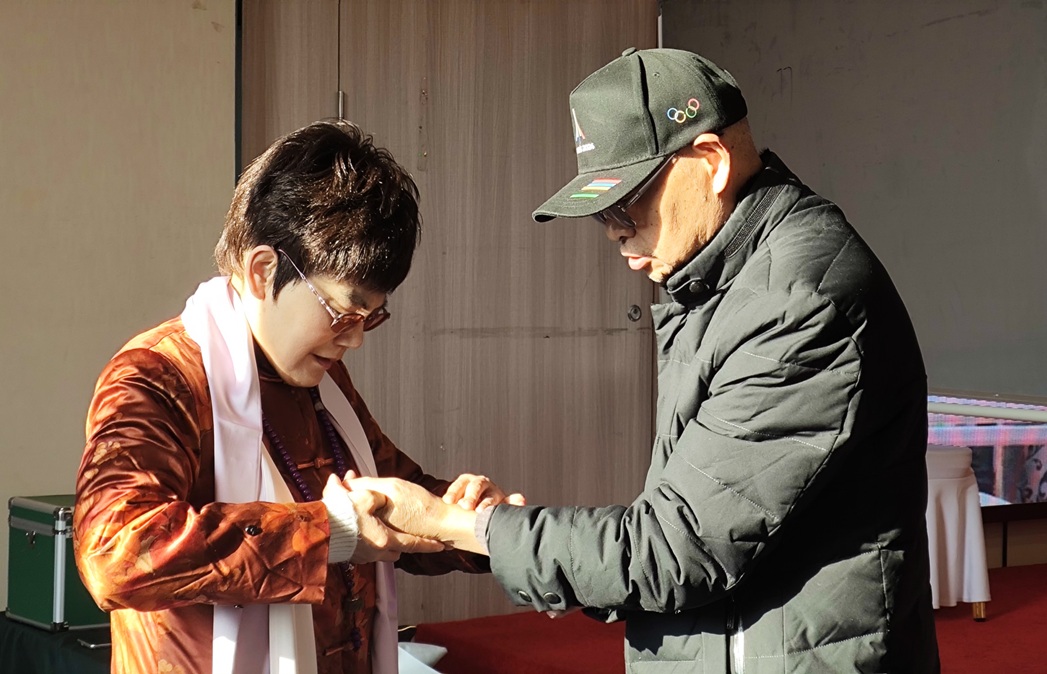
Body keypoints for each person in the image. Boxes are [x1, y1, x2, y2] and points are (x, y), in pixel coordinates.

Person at [355, 48, 941, 672]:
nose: (613, 233)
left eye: (625, 205)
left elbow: (676, 549)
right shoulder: (723, 276)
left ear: (710, 162)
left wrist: (465, 525)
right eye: (599, 213)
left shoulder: (797, 303)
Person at [73, 119, 523, 674]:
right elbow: (115, 554)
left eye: (371, 317)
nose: (355, 338)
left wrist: (468, 522)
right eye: (342, 311)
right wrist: (326, 533)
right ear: (263, 270)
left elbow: (381, 497)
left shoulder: (322, 377)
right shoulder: (156, 377)